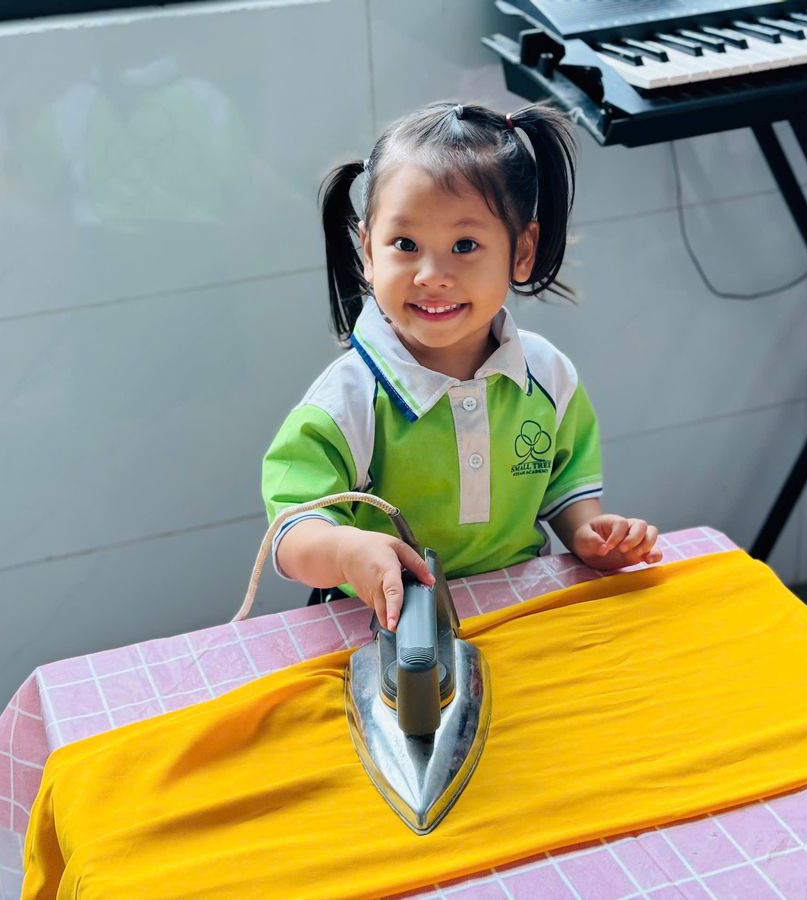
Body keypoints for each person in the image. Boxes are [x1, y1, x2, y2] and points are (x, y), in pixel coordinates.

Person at [262, 101, 661, 631]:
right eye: (405, 244)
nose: (431, 274)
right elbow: (292, 532)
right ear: (368, 251)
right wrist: (343, 550)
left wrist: (590, 534)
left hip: (520, 613)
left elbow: (567, 487)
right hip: (381, 627)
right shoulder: (347, 402)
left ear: (522, 252)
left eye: (464, 245)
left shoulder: (548, 375)